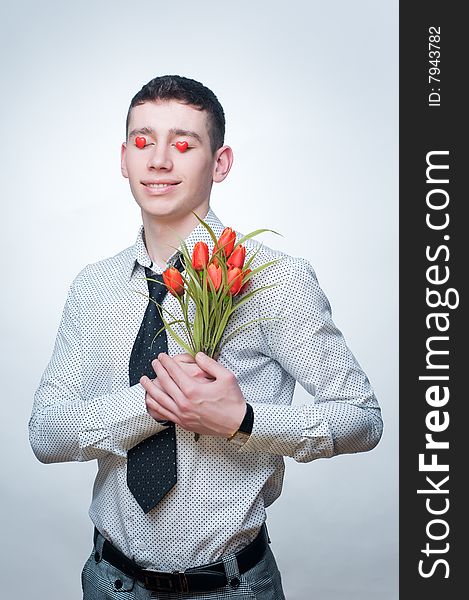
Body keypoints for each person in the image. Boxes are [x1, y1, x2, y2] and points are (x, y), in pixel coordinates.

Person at [29, 75, 383, 599]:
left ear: (220, 163)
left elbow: (362, 418)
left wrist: (242, 421)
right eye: (144, 142)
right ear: (124, 158)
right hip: (109, 581)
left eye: (184, 143)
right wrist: (154, 405)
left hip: (233, 586)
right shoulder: (93, 286)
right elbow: (46, 434)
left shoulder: (271, 278)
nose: (160, 160)